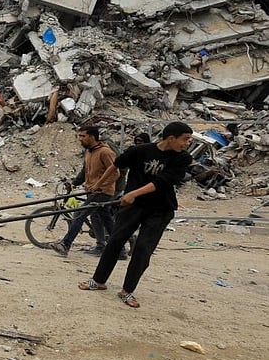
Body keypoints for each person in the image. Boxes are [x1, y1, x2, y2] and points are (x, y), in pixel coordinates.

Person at [78, 122, 193, 309]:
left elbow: (162, 182)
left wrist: (132, 194)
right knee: (115, 241)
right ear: (171, 138)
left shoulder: (183, 158)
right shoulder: (140, 151)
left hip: (160, 210)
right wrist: (98, 185)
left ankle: (127, 290)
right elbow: (116, 165)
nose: (187, 143)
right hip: (134, 207)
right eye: (185, 139)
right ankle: (98, 281)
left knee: (143, 249)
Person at [48, 126, 118, 257]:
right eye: (79, 136)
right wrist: (73, 184)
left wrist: (99, 185)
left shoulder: (105, 152)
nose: (80, 139)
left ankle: (65, 244)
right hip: (92, 190)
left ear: (92, 137)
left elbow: (115, 173)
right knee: (107, 221)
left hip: (102, 192)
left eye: (83, 136)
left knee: (80, 215)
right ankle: (120, 248)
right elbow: (84, 172)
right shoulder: (89, 152)